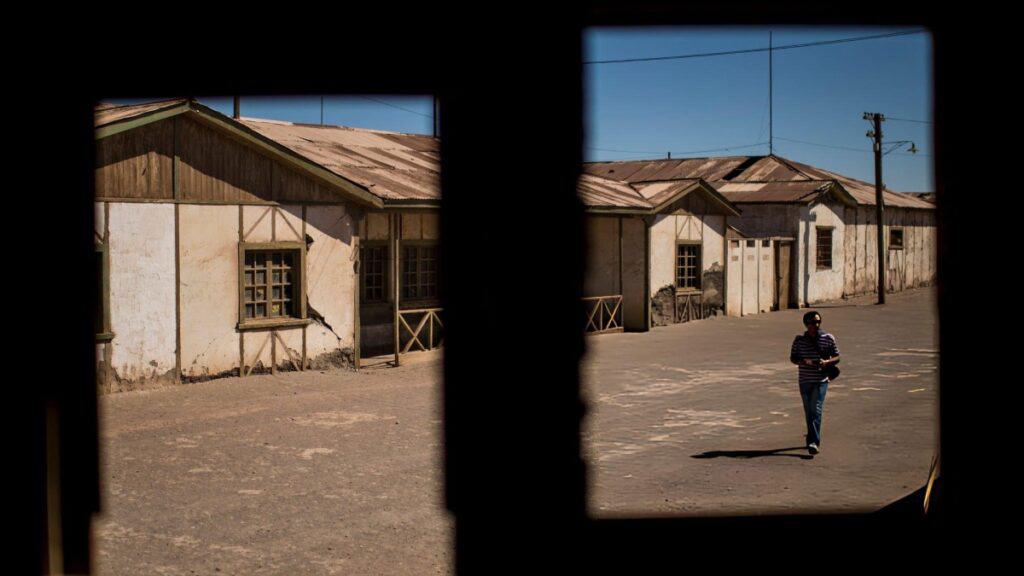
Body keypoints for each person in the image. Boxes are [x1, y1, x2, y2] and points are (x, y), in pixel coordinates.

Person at [789, 311, 840, 455]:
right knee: (809, 412)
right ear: (806, 324)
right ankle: (811, 437)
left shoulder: (828, 338)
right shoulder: (799, 341)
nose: (815, 325)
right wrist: (802, 361)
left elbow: (837, 357)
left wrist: (827, 362)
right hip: (805, 380)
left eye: (818, 322)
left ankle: (813, 442)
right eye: (812, 323)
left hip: (820, 380)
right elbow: (793, 358)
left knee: (816, 409)